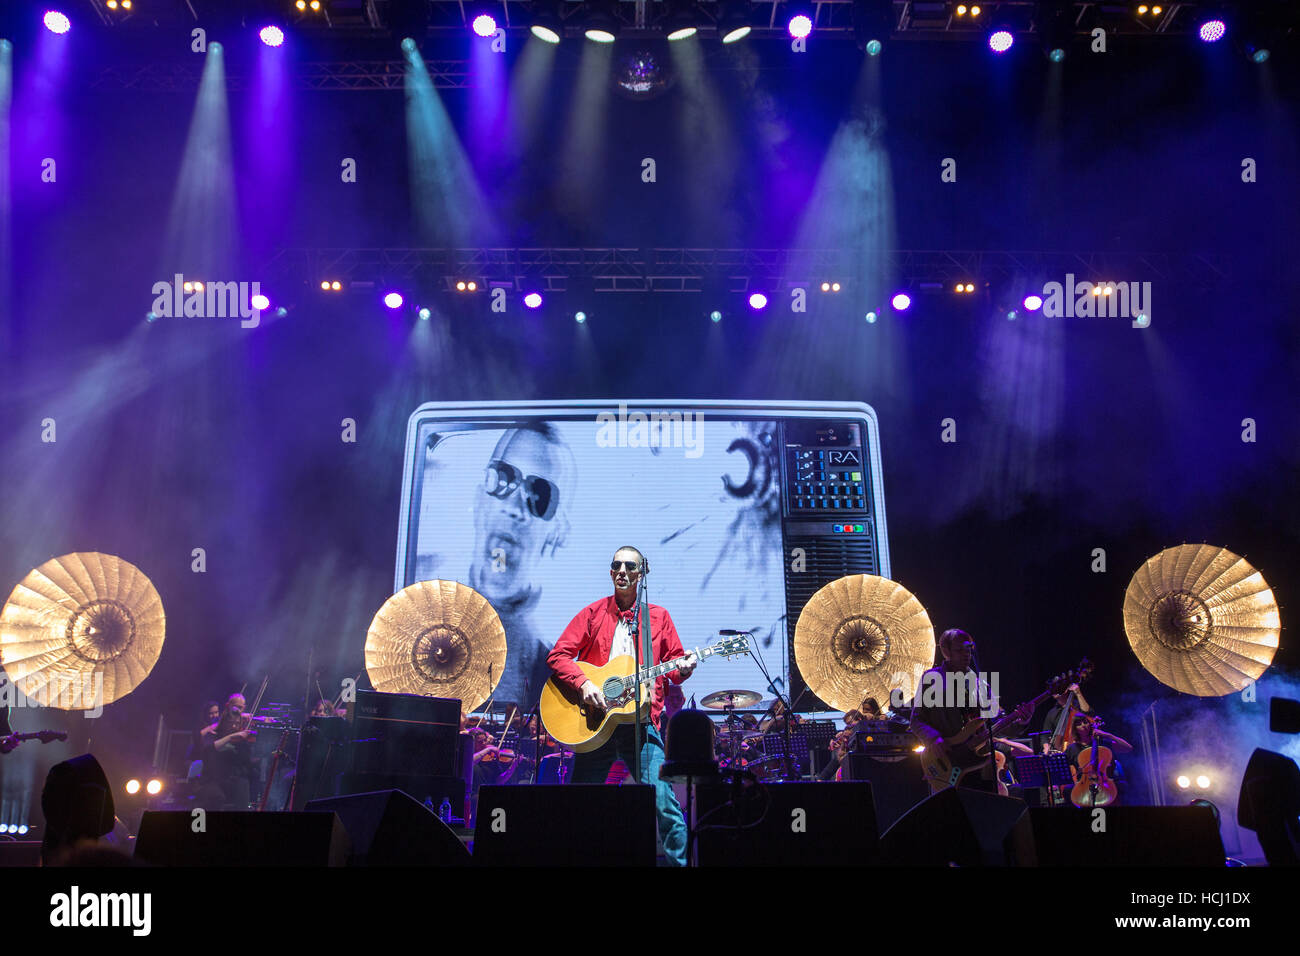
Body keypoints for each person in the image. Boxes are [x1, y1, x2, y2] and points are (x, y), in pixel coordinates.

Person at [546, 546, 697, 866]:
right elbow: (558, 655)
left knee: (665, 806)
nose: (622, 571)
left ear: (642, 573)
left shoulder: (659, 617)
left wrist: (683, 669)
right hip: (595, 724)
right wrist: (585, 683)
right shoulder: (592, 613)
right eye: (616, 565)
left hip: (640, 726)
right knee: (579, 806)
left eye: (630, 566)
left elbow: (673, 668)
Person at [909, 629, 1033, 793]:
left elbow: (996, 724)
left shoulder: (980, 684)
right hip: (947, 763)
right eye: (959, 650)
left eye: (968, 649)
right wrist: (934, 738)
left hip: (980, 765)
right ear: (946, 651)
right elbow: (917, 720)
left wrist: (1020, 721)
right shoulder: (932, 679)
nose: (966, 654)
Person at [195, 694, 259, 809]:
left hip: (235, 775)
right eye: (235, 707)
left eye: (241, 708)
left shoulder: (242, 724)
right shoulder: (216, 726)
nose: (238, 711)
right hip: (215, 776)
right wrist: (231, 736)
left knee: (244, 786)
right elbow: (209, 746)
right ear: (228, 706)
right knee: (215, 798)